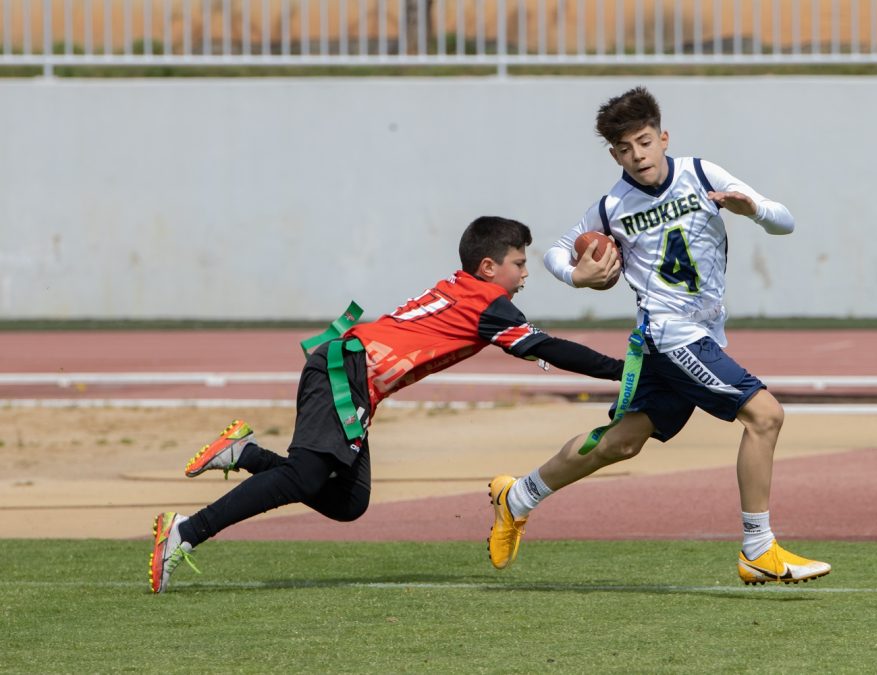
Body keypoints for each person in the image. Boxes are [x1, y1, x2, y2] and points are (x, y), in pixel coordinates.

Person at [149, 216, 623, 593]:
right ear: (487, 268)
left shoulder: (464, 289)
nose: (524, 274)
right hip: (346, 371)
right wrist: (623, 369)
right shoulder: (487, 304)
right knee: (305, 476)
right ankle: (187, 530)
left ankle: (246, 454)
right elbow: (549, 348)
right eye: (519, 264)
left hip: (350, 372)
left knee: (348, 503)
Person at [486, 87, 831, 585]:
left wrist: (750, 208)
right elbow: (556, 252)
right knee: (765, 416)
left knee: (622, 444)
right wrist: (576, 276)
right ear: (613, 154)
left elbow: (785, 221)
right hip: (672, 335)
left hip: (693, 333)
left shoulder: (703, 174)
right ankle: (758, 548)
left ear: (663, 137)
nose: (637, 155)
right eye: (624, 149)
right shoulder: (611, 206)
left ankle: (517, 495)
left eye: (644, 142)